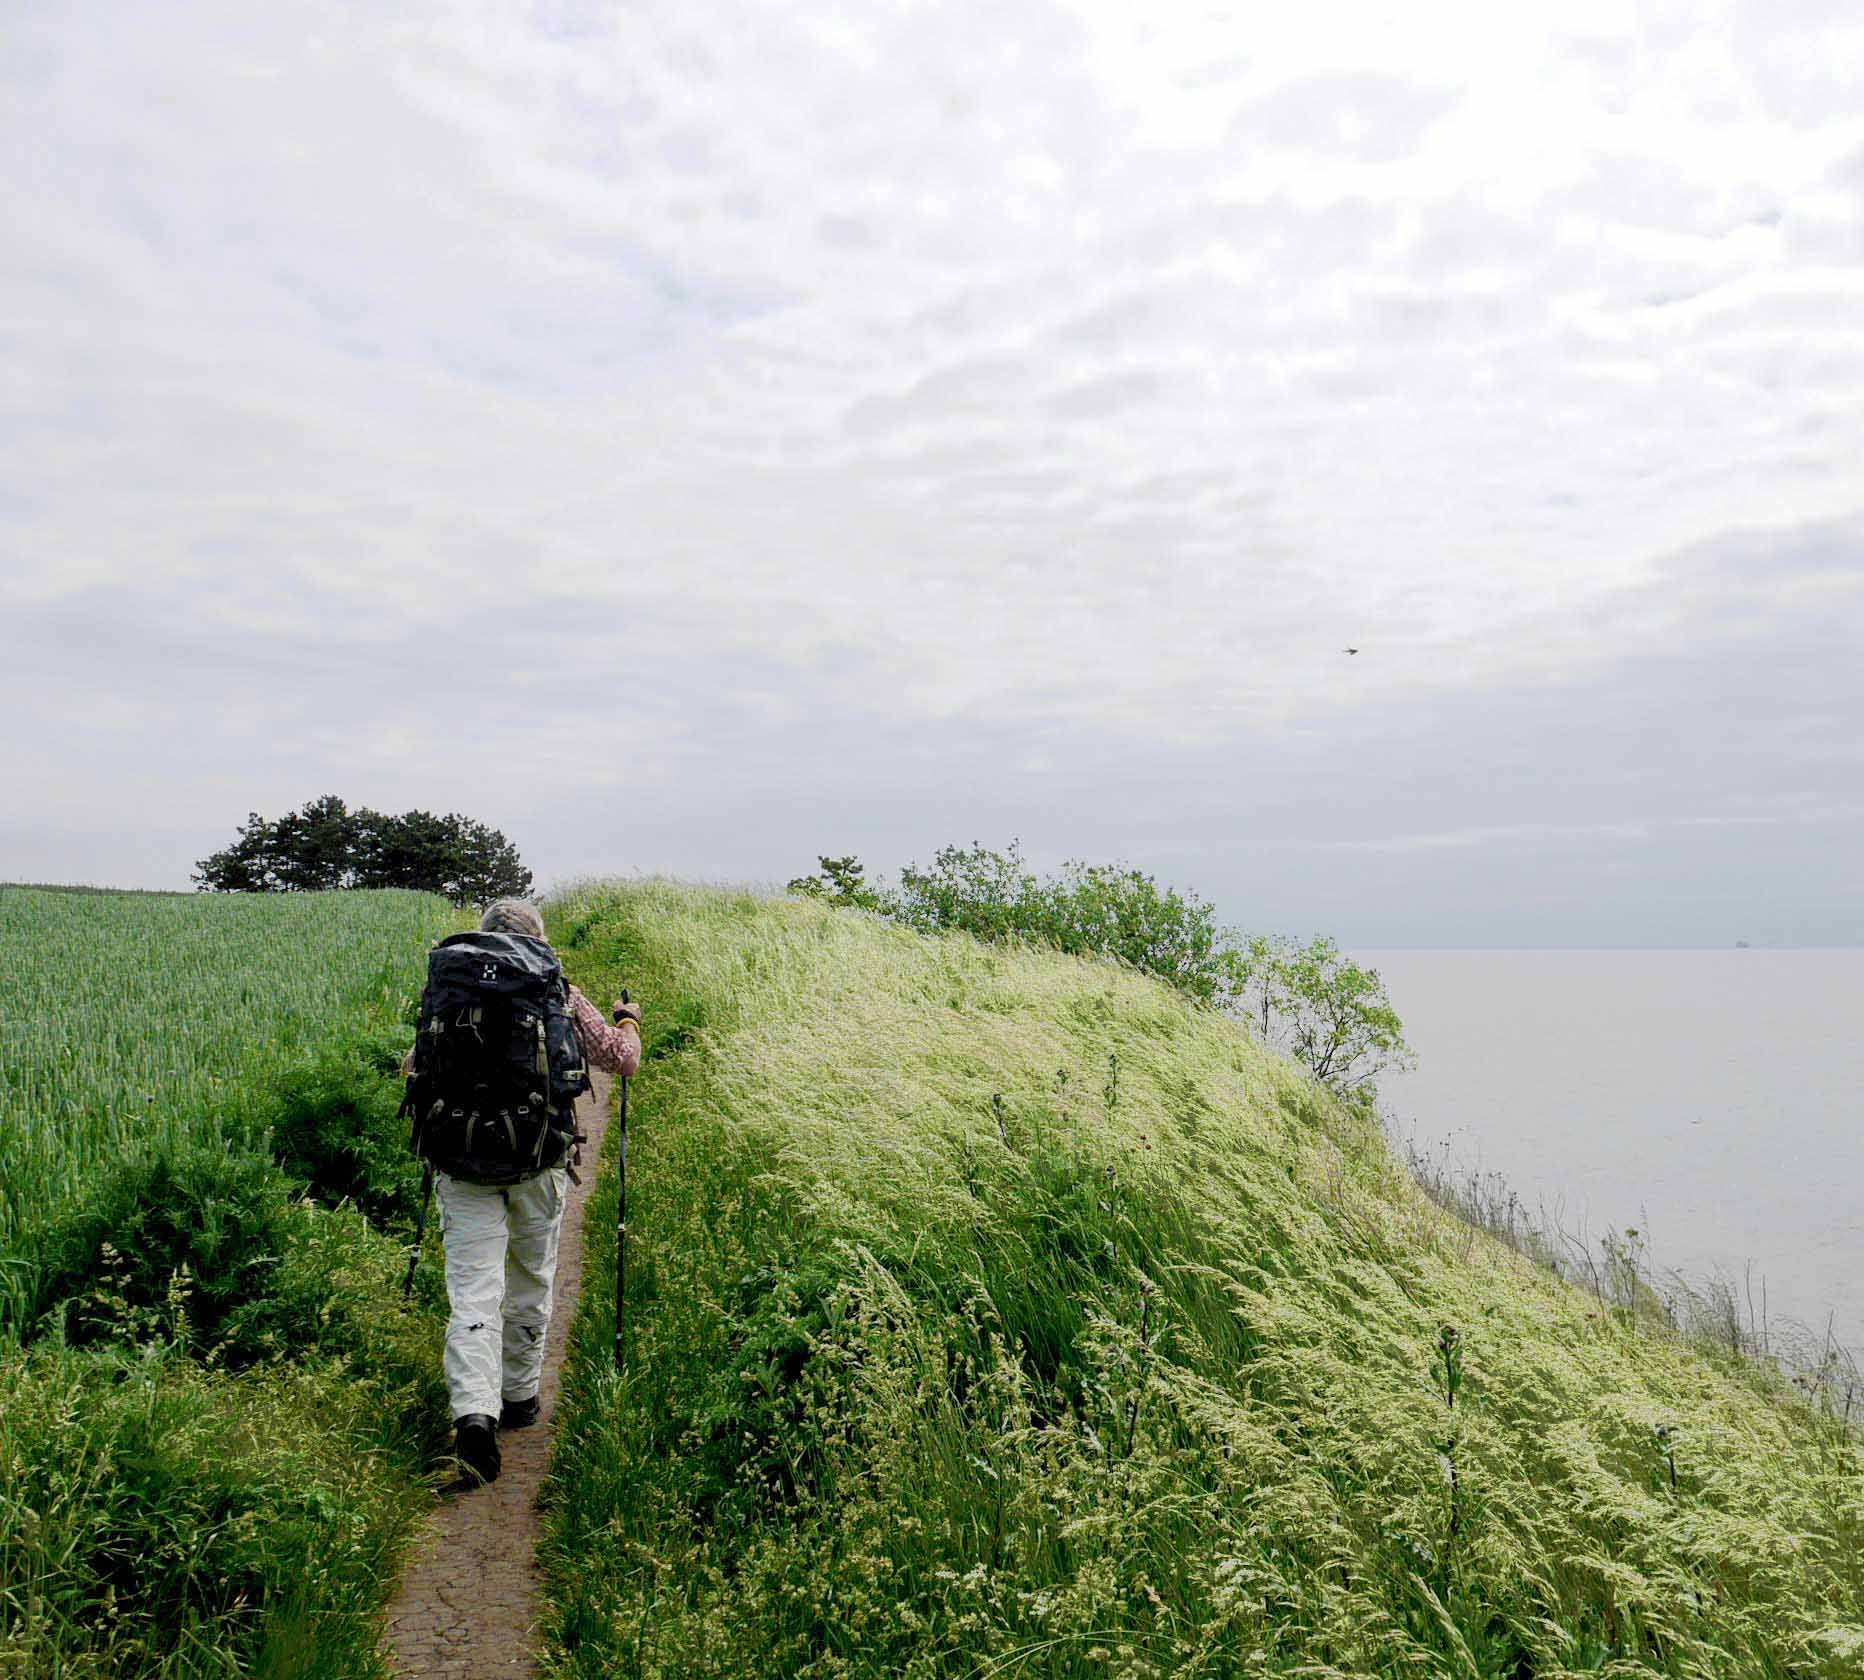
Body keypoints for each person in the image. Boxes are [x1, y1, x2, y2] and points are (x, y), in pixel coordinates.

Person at [405, 898, 640, 1487]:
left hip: (460, 1164)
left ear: (482, 935)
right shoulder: (555, 986)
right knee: (532, 1278)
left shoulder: (449, 982)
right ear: (538, 936)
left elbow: (414, 1067)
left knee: (473, 1292)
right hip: (538, 1157)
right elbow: (620, 1060)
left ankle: (473, 1415)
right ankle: (520, 1399)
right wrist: (630, 1019)